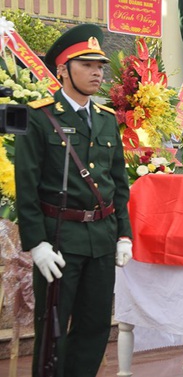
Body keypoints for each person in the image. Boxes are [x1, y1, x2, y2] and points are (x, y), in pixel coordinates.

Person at [15, 24, 133, 377]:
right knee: (52, 332)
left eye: (100, 66)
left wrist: (123, 234)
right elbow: (27, 189)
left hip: (100, 239)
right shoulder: (38, 117)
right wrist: (36, 244)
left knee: (94, 329)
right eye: (87, 65)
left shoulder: (107, 120)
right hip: (59, 240)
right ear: (63, 69)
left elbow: (118, 183)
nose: (98, 72)